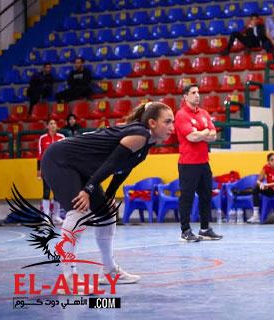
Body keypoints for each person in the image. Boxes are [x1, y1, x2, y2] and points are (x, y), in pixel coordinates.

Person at [41, 101, 174, 290]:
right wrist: (88, 190)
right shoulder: (140, 134)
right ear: (152, 123)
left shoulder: (146, 145)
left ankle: (110, 271)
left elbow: (123, 170)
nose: (172, 127)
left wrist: (109, 196)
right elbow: (111, 164)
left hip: (80, 167)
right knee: (79, 212)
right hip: (59, 159)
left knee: (107, 214)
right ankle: (69, 279)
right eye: (167, 122)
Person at [175, 84, 222, 242]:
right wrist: (205, 132)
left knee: (206, 195)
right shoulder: (181, 115)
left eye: (198, 92)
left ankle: (204, 229)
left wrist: (200, 133)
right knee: (187, 197)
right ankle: (185, 230)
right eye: (193, 92)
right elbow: (191, 137)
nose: (197, 95)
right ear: (185, 96)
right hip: (188, 163)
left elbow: (214, 136)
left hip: (203, 162)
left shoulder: (204, 113)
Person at [38, 119, 66, 225]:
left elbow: (65, 153)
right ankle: (46, 217)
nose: (53, 125)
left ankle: (56, 217)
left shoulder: (62, 137)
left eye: (54, 123)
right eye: (51, 123)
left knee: (57, 193)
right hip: (46, 168)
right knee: (46, 192)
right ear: (47, 126)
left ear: (57, 126)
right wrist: (38, 170)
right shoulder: (42, 138)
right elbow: (39, 155)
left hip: (58, 169)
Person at [247, 153, 274, 223]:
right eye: (272, 160)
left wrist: (269, 185)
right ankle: (256, 215)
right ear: (268, 162)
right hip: (270, 190)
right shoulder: (265, 168)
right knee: (255, 189)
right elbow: (258, 181)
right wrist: (261, 184)